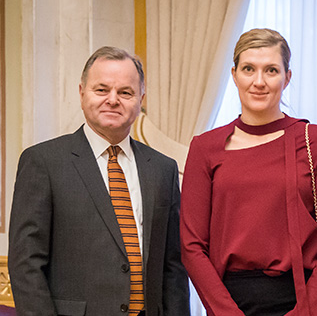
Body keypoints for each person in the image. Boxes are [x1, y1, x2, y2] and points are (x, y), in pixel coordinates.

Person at [180, 28, 317, 316]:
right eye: (249, 69)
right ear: (234, 75)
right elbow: (192, 245)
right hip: (229, 304)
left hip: (301, 301)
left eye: (271, 70)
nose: (259, 81)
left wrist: (306, 312)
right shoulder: (204, 148)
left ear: (287, 77)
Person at [9, 46, 189, 315]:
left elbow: (173, 267)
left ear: (141, 98)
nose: (113, 100)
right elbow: (26, 265)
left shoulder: (162, 169)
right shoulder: (43, 162)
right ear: (82, 93)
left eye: (125, 92)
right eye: (101, 90)